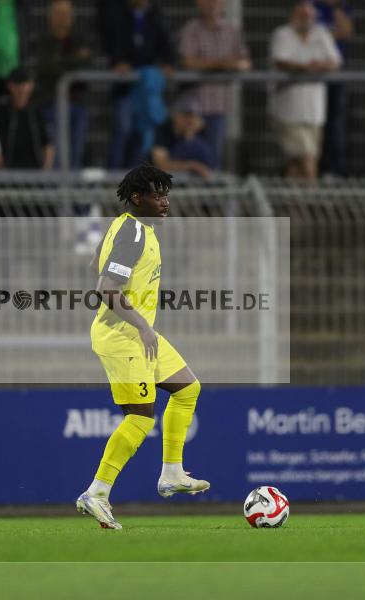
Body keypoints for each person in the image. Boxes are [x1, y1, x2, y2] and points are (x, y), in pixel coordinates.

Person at [76, 164, 209, 530]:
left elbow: (95, 266)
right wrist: (141, 325)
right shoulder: (133, 232)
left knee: (187, 389)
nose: (164, 202)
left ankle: (171, 473)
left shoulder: (130, 226)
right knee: (139, 417)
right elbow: (105, 287)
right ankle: (96, 493)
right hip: (123, 336)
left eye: (166, 194)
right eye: (157, 195)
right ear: (137, 197)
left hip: (139, 332)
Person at [269, 1, 342, 181]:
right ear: (293, 16)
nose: (306, 20)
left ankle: (294, 205)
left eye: (309, 16)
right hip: (289, 113)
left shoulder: (321, 34)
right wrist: (305, 68)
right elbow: (281, 61)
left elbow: (335, 61)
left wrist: (320, 66)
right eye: (302, 16)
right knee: (308, 160)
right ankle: (311, 202)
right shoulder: (282, 34)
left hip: (315, 112)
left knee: (298, 163)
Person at [178, 0, 251, 171]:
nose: (211, 4)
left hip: (220, 106)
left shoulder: (232, 29)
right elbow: (188, 62)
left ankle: (212, 196)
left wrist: (228, 65)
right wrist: (221, 64)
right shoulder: (191, 29)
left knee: (214, 159)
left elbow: (245, 63)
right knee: (190, 154)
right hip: (193, 109)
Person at [106, 0, 176, 169]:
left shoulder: (155, 17)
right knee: (123, 131)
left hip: (145, 90)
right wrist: (119, 62)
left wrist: (168, 63)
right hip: (125, 90)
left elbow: (166, 46)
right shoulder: (117, 15)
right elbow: (111, 45)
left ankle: (136, 177)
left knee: (143, 135)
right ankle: (113, 176)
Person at [34, 0, 92, 169]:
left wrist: (61, 62)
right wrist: (75, 60)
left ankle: (72, 192)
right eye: (58, 14)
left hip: (77, 104)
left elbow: (87, 64)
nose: (62, 19)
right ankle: (55, 193)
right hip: (51, 104)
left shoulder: (80, 39)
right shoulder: (43, 41)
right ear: (50, 17)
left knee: (76, 152)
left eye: (66, 14)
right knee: (56, 153)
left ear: (72, 18)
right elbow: (47, 67)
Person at [314, 0, 353, 177]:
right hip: (314, 73)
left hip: (335, 73)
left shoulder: (342, 7)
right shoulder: (311, 6)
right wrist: (329, 35)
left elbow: (345, 32)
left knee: (335, 122)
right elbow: (313, 36)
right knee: (315, 122)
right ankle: (316, 168)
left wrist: (336, 9)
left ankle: (334, 170)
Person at [0, 68, 54, 169]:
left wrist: (45, 171)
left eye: (25, 84)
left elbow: (48, 145)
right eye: (17, 84)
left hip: (34, 173)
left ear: (31, 86)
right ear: (10, 86)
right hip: (5, 173)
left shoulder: (37, 111)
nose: (21, 88)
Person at [150, 96, 213, 179]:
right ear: (176, 116)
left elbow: (208, 168)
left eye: (193, 116)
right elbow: (161, 164)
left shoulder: (200, 135)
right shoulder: (163, 130)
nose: (190, 121)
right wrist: (193, 165)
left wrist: (189, 136)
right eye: (185, 116)